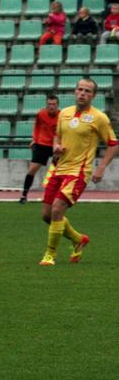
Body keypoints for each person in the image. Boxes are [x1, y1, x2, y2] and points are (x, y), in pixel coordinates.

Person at [39, 77, 118, 267]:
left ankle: (50, 255)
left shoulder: (99, 118)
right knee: (46, 215)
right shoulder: (64, 113)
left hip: (79, 172)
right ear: (75, 92)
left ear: (93, 96)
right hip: (59, 168)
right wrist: (56, 146)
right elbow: (57, 136)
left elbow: (113, 144)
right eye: (80, 89)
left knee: (58, 209)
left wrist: (101, 167)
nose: (82, 93)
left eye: (87, 91)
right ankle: (78, 239)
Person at [19, 94, 60, 204]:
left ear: (57, 105)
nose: (51, 106)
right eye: (49, 104)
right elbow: (36, 127)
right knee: (32, 170)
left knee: (57, 171)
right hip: (42, 144)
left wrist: (60, 144)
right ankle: (24, 195)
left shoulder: (62, 116)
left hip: (56, 145)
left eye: (54, 104)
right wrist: (35, 139)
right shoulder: (41, 114)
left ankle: (54, 195)